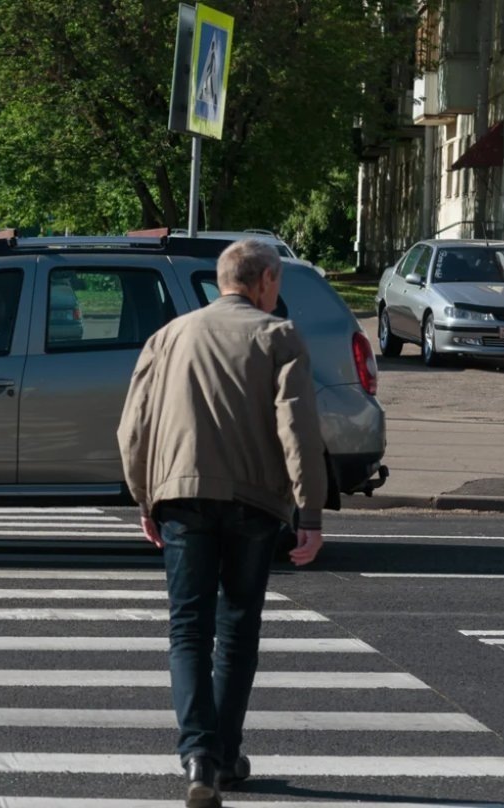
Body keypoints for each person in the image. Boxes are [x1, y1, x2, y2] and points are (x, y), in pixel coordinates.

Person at [116, 239, 326, 808]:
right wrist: (309, 512)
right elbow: (298, 431)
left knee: (188, 630)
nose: (275, 295)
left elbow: (131, 428)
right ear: (263, 281)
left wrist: (144, 498)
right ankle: (227, 755)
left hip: (181, 499)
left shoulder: (168, 336)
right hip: (256, 504)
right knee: (236, 631)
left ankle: (199, 759)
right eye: (276, 285)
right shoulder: (278, 337)